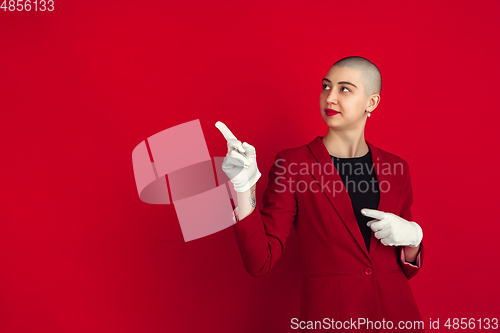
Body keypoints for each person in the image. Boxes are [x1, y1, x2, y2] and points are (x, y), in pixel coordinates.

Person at [215, 56, 424, 332]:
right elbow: (260, 260)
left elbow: (404, 267)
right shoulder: (293, 164)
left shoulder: (397, 168)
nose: (330, 97)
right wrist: (244, 188)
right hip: (332, 320)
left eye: (344, 89)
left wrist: (413, 237)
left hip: (399, 318)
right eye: (326, 86)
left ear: (371, 103)